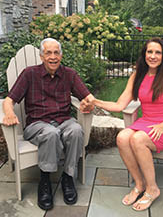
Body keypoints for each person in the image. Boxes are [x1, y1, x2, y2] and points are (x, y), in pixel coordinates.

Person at [80, 37, 163, 211]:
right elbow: (119, 105)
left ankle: (153, 189)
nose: (153, 56)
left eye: (157, 52)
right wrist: (94, 102)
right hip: (147, 122)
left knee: (137, 139)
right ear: (144, 54)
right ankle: (139, 184)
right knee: (122, 137)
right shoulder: (137, 76)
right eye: (149, 51)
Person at [2, 38, 94, 210]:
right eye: (48, 53)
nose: (53, 57)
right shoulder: (29, 74)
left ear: (61, 55)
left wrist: (88, 103)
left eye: (56, 52)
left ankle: (68, 177)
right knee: (51, 133)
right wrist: (8, 113)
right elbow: (9, 100)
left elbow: (87, 97)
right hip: (37, 124)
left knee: (76, 130)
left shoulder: (70, 74)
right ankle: (45, 181)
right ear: (41, 56)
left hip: (63, 121)